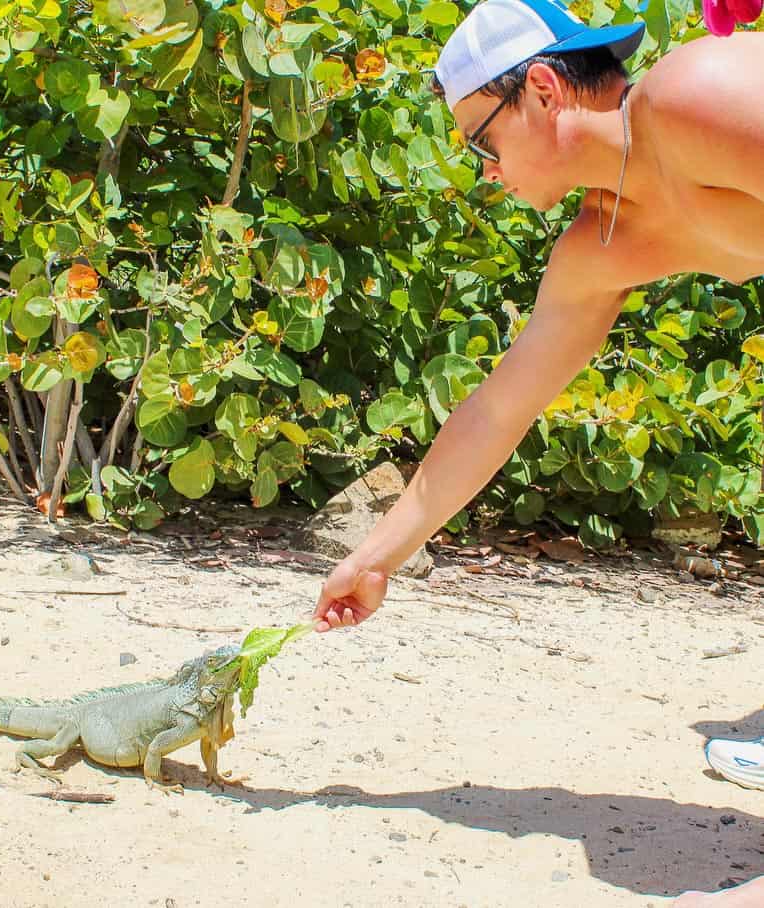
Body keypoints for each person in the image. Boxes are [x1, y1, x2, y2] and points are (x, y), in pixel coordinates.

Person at [310, 0, 764, 902]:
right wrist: (377, 557)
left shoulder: (692, 94)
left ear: (544, 91)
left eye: (481, 142)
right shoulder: (604, 241)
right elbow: (499, 408)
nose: (485, 174)